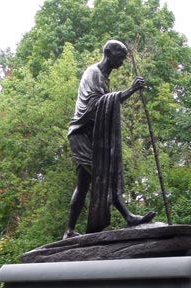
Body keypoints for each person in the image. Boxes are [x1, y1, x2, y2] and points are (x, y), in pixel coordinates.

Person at [64, 39, 155, 239]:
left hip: (92, 135)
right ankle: (128, 216)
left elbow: (104, 104)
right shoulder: (93, 73)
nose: (122, 62)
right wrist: (130, 90)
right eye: (120, 57)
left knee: (83, 184)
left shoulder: (104, 78)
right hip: (81, 133)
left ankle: (69, 231)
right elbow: (95, 104)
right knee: (104, 173)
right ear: (108, 53)